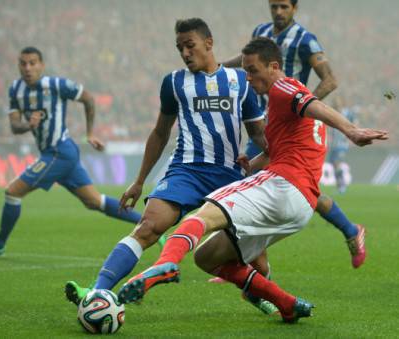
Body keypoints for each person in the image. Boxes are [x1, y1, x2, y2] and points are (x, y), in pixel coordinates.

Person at [117, 38, 388, 323]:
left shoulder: (286, 87)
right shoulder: (280, 108)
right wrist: (252, 164)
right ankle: (286, 304)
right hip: (300, 207)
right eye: (245, 70)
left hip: (283, 186)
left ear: (273, 67)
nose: (248, 77)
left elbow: (312, 105)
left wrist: (351, 130)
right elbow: (280, 151)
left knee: (202, 216)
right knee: (206, 257)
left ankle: (166, 263)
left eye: (253, 70)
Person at [64, 18, 277, 314]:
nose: (185, 53)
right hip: (185, 171)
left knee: (257, 260)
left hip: (229, 176)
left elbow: (257, 133)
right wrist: (139, 181)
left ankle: (262, 294)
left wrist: (280, 158)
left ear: (209, 43)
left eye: (190, 46)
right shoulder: (174, 82)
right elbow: (160, 132)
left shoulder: (240, 81)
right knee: (148, 228)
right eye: (180, 48)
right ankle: (97, 292)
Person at [221, 0, 366, 270]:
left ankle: (245, 261)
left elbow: (330, 80)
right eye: (274, 6)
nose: (278, 12)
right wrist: (217, 68)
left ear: (294, 9)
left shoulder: (305, 40)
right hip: (265, 119)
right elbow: (245, 61)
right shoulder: (261, 31)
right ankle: (348, 230)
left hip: (293, 119)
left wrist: (301, 107)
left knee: (280, 185)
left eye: (284, 6)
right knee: (269, 182)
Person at [0, 46, 143, 256]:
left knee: (13, 192)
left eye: (33, 63)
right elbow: (15, 126)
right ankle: (148, 224)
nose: (28, 68)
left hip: (59, 151)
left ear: (42, 65)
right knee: (94, 201)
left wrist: (89, 133)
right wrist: (28, 125)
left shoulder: (56, 85)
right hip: (59, 153)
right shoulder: (16, 89)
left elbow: (87, 98)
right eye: (23, 63)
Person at [328, 96, 356, 194]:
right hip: (334, 144)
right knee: (333, 164)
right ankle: (339, 185)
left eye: (338, 102)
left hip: (342, 143)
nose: (336, 104)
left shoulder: (347, 113)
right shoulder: (332, 113)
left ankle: (342, 185)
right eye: (335, 102)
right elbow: (331, 130)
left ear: (342, 103)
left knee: (337, 162)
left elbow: (354, 124)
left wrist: (351, 138)